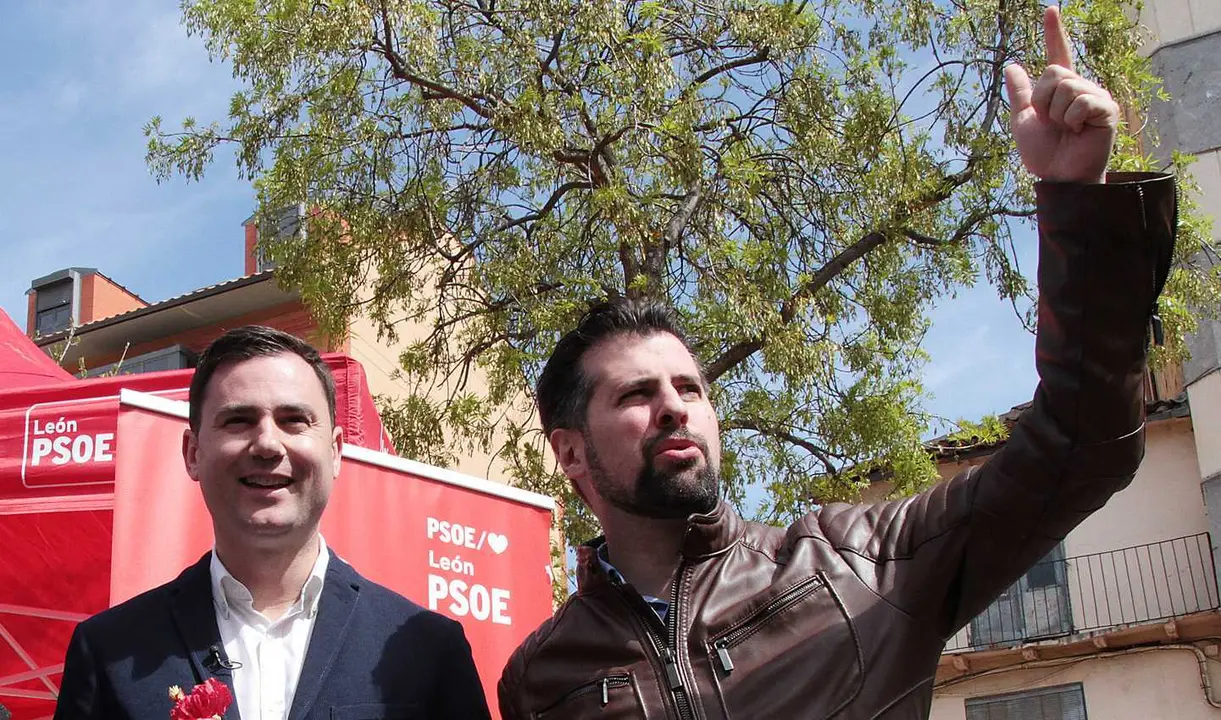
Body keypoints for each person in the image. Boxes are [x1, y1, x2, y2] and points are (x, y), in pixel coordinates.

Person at [497, 7, 1177, 719]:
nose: (674, 406)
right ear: (569, 452)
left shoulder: (862, 561)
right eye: (635, 393)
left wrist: (1077, 200)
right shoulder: (542, 680)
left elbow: (1082, 443)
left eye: (690, 386)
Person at [55, 326, 491, 720]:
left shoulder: (430, 651)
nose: (267, 443)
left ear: (336, 452)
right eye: (238, 420)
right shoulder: (109, 653)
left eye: (293, 421)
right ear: (192, 453)